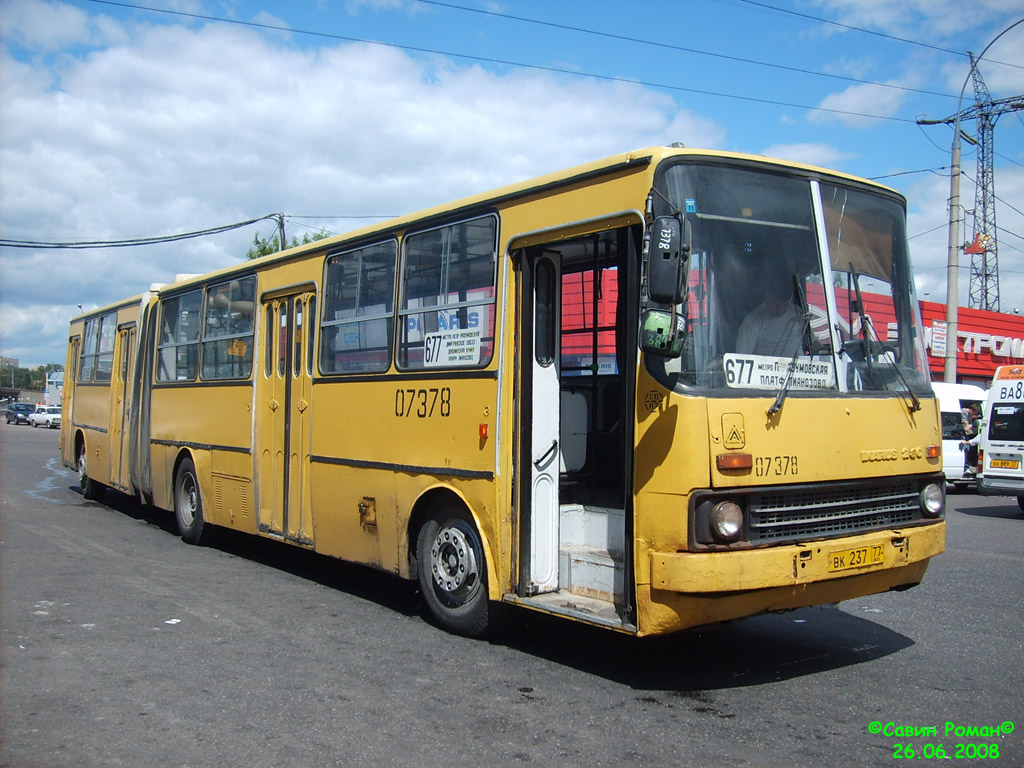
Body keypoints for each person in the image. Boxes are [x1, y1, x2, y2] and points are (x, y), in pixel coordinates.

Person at [735, 273, 804, 357]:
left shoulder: (797, 312)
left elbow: (814, 343)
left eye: (786, 305)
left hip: (799, 368)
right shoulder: (753, 321)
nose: (781, 310)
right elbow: (741, 356)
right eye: (776, 305)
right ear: (766, 296)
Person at [960, 403, 982, 476]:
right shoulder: (963, 413)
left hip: (967, 435)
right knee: (966, 449)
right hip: (963, 435)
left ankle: (967, 466)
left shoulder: (968, 415)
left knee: (968, 449)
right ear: (972, 410)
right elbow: (965, 426)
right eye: (974, 413)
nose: (974, 415)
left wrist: (970, 426)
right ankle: (965, 467)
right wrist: (971, 430)